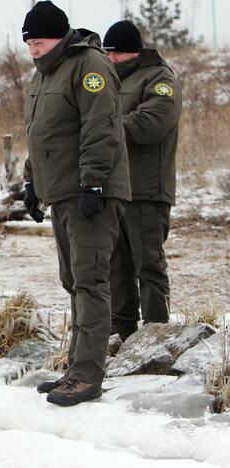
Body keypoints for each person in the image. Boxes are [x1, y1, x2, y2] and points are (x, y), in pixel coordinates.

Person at [20, 1, 131, 406]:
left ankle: (88, 376)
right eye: (29, 42)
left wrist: (94, 183)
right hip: (62, 193)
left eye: (41, 40)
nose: (34, 49)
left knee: (90, 282)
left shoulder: (89, 66)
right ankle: (75, 369)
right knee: (73, 282)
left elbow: (100, 126)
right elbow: (41, 134)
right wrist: (32, 182)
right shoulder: (44, 76)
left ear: (61, 36)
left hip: (90, 192)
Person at [103, 20, 182, 339]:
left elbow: (152, 124)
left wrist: (103, 125)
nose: (111, 59)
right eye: (108, 53)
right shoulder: (110, 82)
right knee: (116, 267)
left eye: (117, 53)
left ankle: (155, 333)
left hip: (148, 191)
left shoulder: (160, 78)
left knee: (148, 264)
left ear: (134, 51)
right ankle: (121, 331)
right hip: (116, 189)